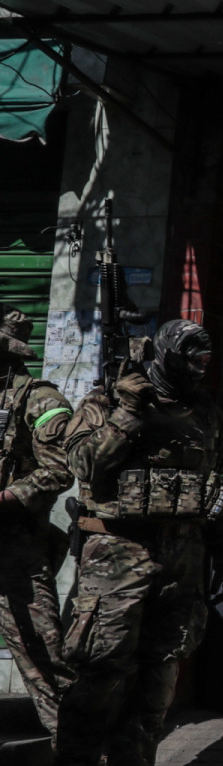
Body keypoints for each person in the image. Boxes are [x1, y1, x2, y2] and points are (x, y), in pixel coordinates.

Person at [53, 319, 223, 766]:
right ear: (164, 355)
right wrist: (130, 411)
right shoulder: (107, 403)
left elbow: (220, 490)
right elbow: (86, 465)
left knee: (159, 671)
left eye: (205, 360)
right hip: (117, 553)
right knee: (100, 666)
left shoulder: (206, 415)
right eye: (190, 358)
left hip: (183, 557)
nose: (199, 368)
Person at [0, 306, 74, 739]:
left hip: (14, 544)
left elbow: (59, 471)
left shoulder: (40, 398)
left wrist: (8, 497)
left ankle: (76, 753)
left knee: (41, 651)